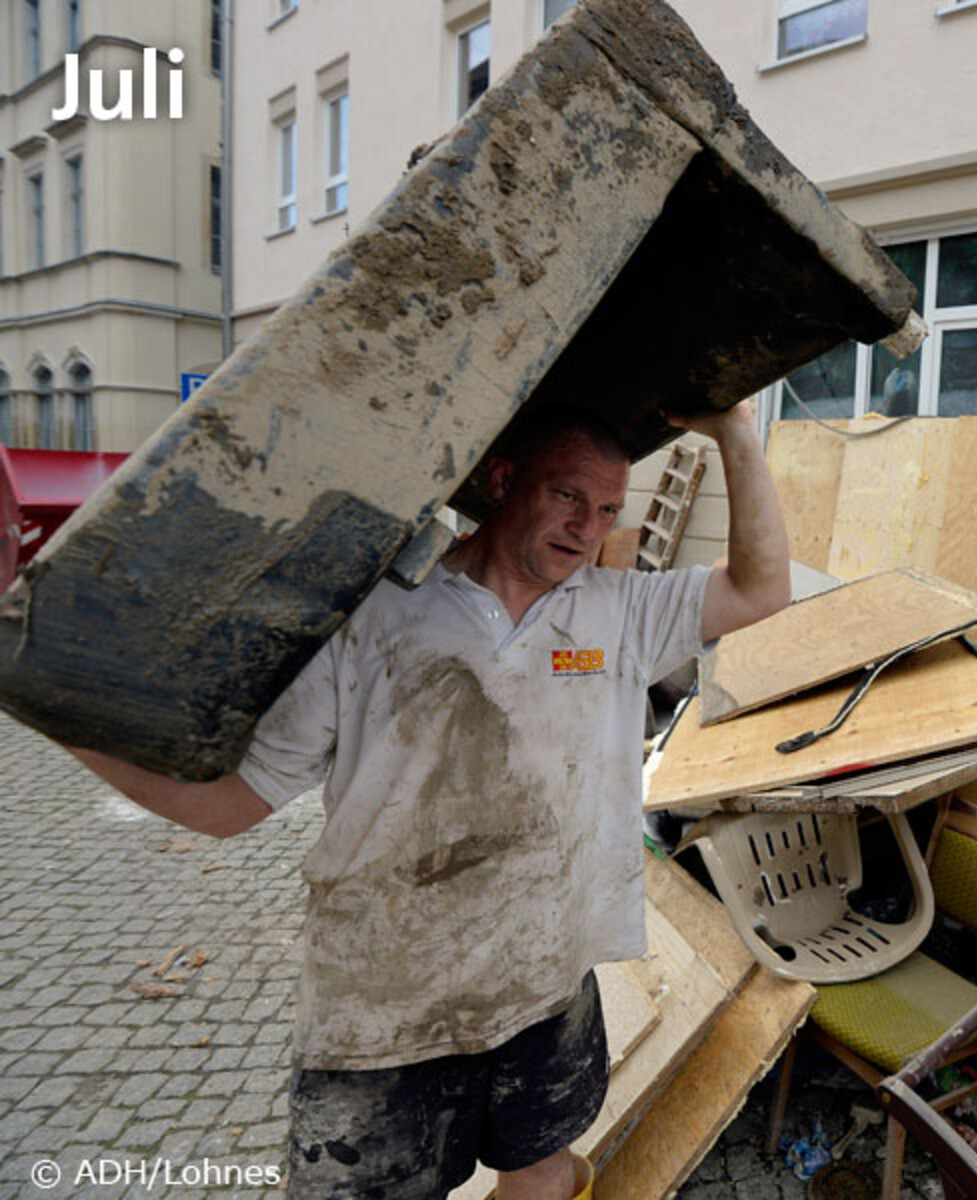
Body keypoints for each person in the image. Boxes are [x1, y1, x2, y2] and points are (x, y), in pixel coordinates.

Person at [64, 400, 790, 1200]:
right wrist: (63, 724)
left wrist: (735, 432)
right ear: (503, 479)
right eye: (568, 496)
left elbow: (762, 589)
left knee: (543, 1167)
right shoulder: (375, 618)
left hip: (543, 981)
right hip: (385, 1011)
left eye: (610, 509)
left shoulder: (621, 612)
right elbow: (230, 805)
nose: (589, 527)